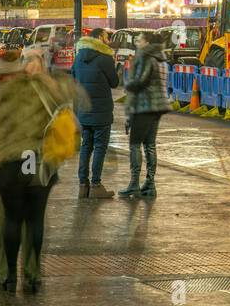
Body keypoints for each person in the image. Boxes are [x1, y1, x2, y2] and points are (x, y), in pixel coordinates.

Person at [0, 60, 74, 293]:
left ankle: (10, 275)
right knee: (36, 220)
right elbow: (71, 97)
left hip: (11, 165)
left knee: (11, 220)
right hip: (39, 162)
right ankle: (33, 276)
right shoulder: (40, 88)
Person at [0, 49, 40, 288]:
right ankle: (30, 272)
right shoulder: (34, 91)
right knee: (28, 222)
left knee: (6, 222)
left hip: (4, 166)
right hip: (28, 164)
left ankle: (6, 272)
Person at [119, 32, 171, 198]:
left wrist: (127, 84)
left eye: (139, 39)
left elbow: (140, 81)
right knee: (150, 145)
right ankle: (150, 183)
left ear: (147, 42)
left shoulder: (146, 57)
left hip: (144, 107)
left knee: (135, 144)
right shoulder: (161, 58)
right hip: (158, 107)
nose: (137, 42)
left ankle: (134, 183)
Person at [71, 27, 120, 199]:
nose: (108, 40)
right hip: (101, 112)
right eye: (107, 37)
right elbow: (114, 82)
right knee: (100, 148)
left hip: (83, 110)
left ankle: (82, 185)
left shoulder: (78, 58)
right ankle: (96, 185)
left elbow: (73, 80)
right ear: (100, 37)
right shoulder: (105, 58)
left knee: (86, 147)